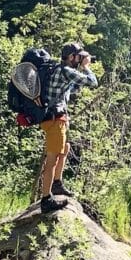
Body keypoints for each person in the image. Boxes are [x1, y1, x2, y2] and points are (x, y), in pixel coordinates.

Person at [36, 42, 98, 203]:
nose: (80, 59)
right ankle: (46, 199)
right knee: (52, 158)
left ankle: (56, 183)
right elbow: (92, 82)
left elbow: (71, 89)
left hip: (55, 119)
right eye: (78, 57)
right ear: (71, 57)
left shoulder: (59, 70)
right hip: (55, 120)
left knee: (65, 148)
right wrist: (86, 67)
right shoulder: (66, 71)